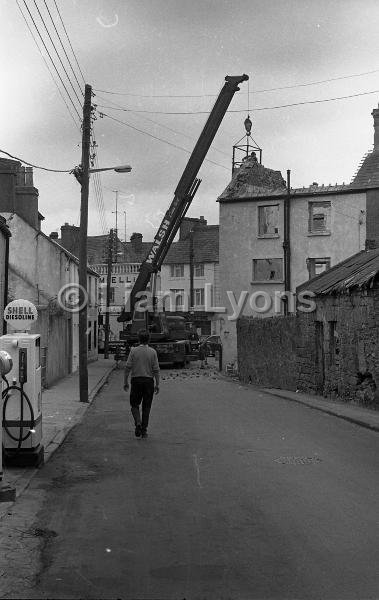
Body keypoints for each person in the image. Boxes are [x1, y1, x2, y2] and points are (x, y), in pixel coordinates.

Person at [123, 329, 160, 438]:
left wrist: (125, 381)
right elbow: (156, 370)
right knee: (146, 407)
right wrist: (157, 384)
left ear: (138, 339)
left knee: (134, 404)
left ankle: (138, 422)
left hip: (136, 381)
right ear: (149, 339)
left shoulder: (133, 351)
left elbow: (127, 367)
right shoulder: (153, 352)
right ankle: (144, 430)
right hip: (148, 381)